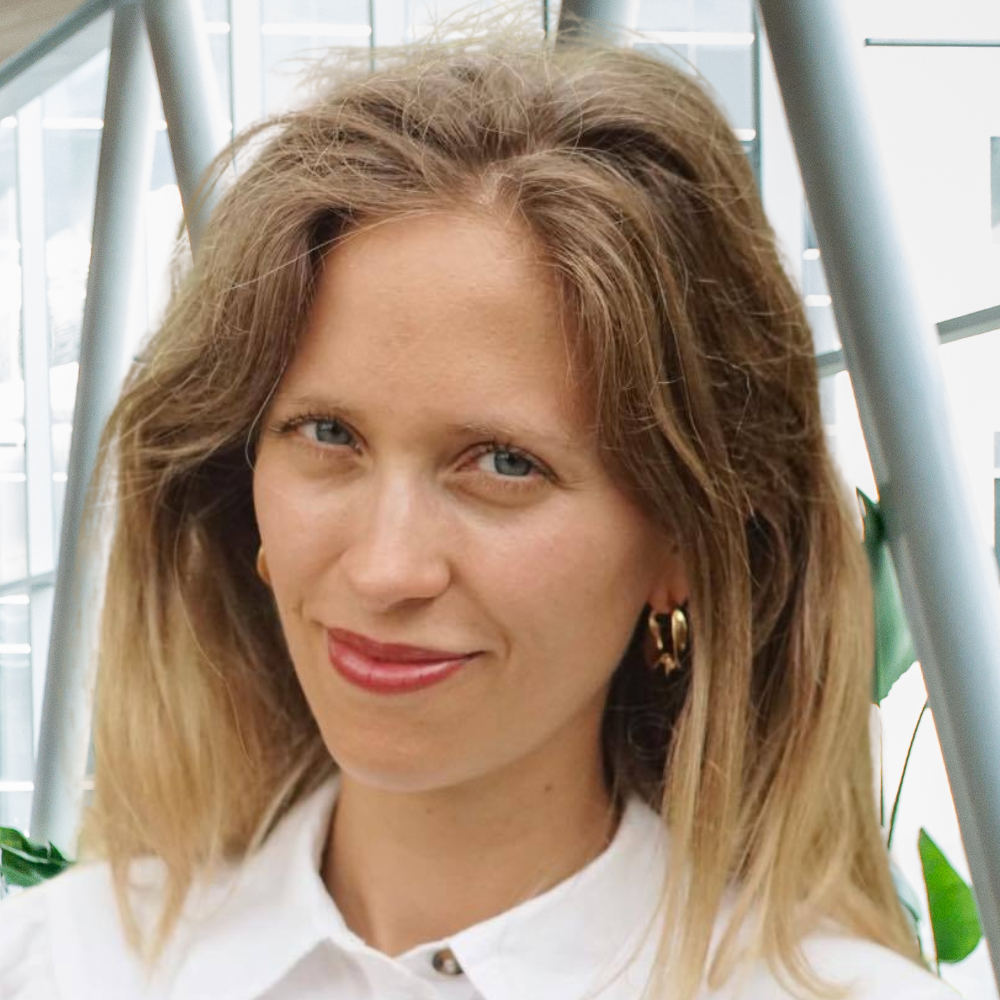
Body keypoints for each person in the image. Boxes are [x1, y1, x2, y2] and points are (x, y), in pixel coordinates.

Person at [0, 20, 963, 1000]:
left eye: (504, 464)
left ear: (683, 543)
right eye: (328, 434)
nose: (385, 567)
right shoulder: (53, 964)